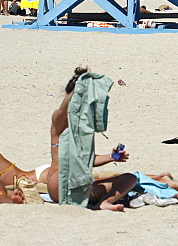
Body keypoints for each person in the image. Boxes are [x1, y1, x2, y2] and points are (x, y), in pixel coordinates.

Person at [41, 67, 135, 209]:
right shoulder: (60, 119)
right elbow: (62, 110)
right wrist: (80, 88)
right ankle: (104, 203)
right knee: (129, 180)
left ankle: (103, 203)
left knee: (130, 178)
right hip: (60, 181)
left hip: (59, 185)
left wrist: (111, 157)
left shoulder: (84, 123)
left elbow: (85, 160)